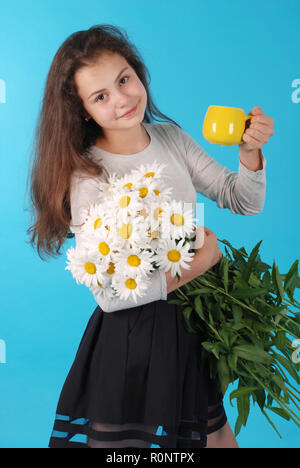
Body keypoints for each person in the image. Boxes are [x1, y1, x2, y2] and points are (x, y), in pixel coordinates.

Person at [27, 24, 274, 448]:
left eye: (124, 79)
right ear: (83, 110)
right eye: (101, 96)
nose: (122, 99)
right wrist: (203, 262)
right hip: (131, 338)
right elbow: (109, 296)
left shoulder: (170, 138)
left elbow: (242, 199)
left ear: (138, 73)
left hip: (190, 325)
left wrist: (248, 152)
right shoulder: (88, 174)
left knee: (211, 438)